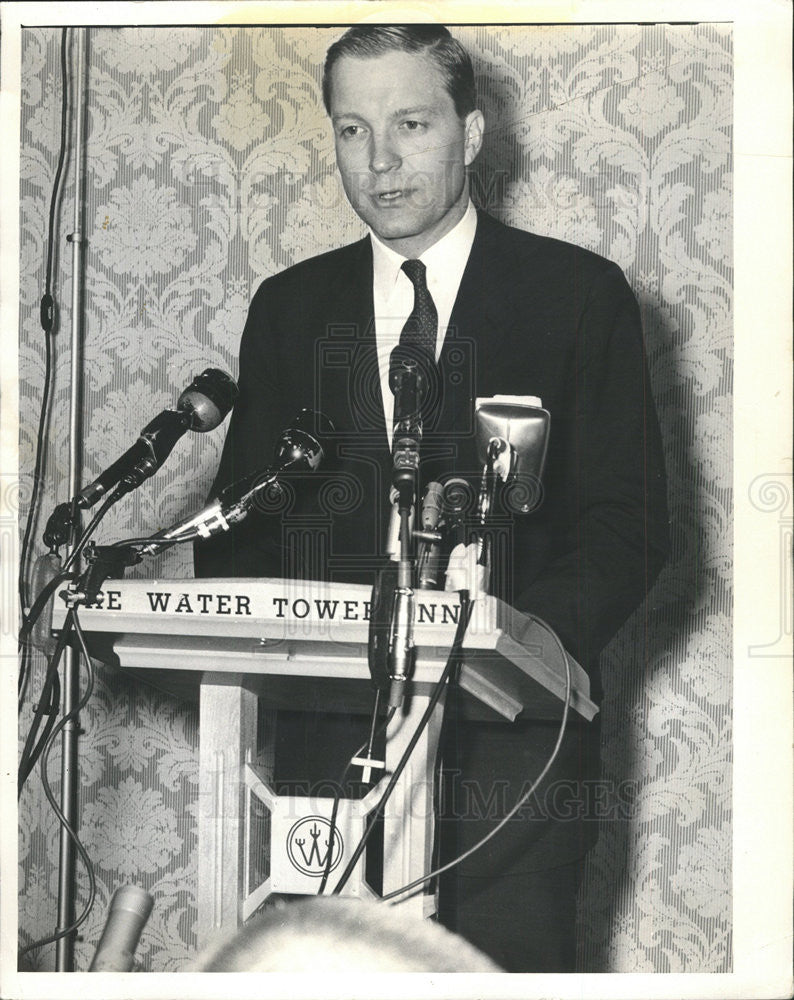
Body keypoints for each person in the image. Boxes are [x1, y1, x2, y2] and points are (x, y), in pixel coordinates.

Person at [195, 24, 669, 972]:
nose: (380, 162)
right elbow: (238, 532)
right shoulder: (291, 310)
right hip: (325, 768)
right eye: (351, 130)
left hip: (513, 770)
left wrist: (506, 641)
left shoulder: (577, 295)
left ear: (476, 132)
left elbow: (629, 527)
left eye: (410, 124)